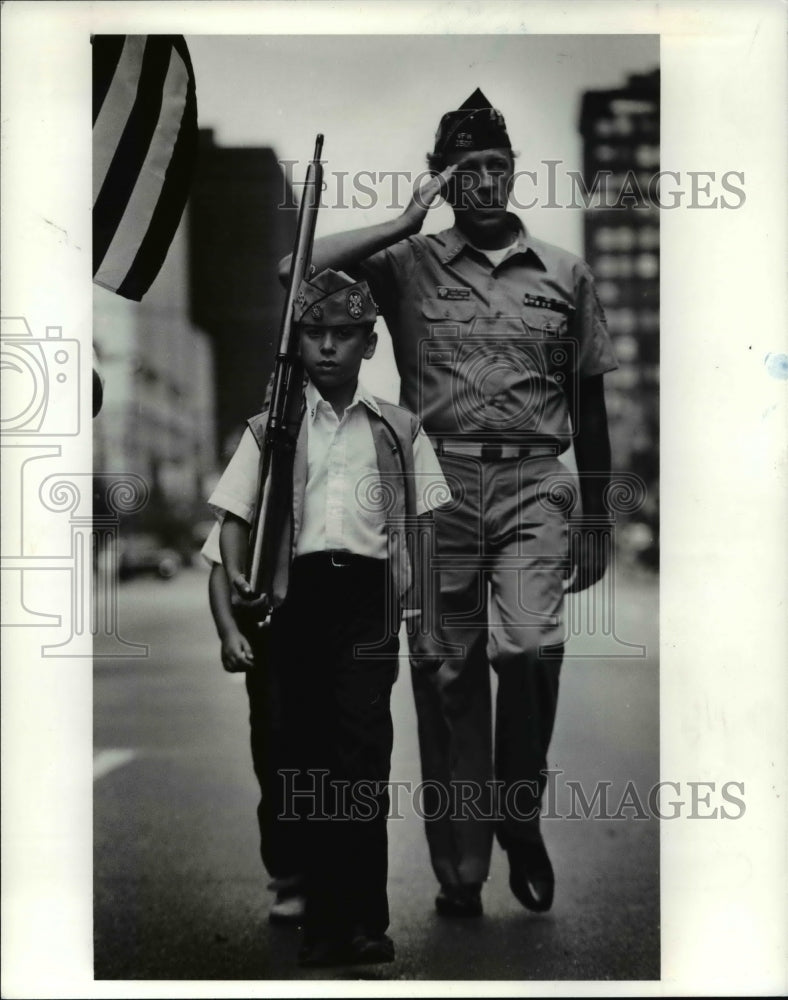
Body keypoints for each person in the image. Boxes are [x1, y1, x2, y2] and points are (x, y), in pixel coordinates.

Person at [281, 89, 618, 918]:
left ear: (515, 172)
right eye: (466, 169)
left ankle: (519, 812)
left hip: (539, 480)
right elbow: (292, 269)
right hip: (436, 485)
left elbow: (594, 403)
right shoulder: (407, 266)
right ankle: (462, 869)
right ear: (441, 180)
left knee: (531, 647)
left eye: (497, 166)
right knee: (446, 673)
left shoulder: (565, 274)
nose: (486, 181)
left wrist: (600, 516)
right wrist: (401, 223)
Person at [207, 268, 449, 967]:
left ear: (369, 345)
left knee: (362, 759)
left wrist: (424, 618)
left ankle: (365, 921)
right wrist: (245, 585)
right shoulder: (270, 430)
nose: (328, 347)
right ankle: (321, 921)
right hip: (294, 601)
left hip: (368, 605)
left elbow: (425, 531)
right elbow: (233, 519)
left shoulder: (399, 430)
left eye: (345, 334)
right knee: (304, 755)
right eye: (314, 333)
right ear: (297, 345)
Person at [202, 522, 307, 925]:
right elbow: (218, 566)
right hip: (270, 642)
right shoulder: (265, 473)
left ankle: (330, 873)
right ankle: (290, 876)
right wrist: (228, 632)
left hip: (328, 638)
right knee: (276, 753)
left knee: (333, 751)